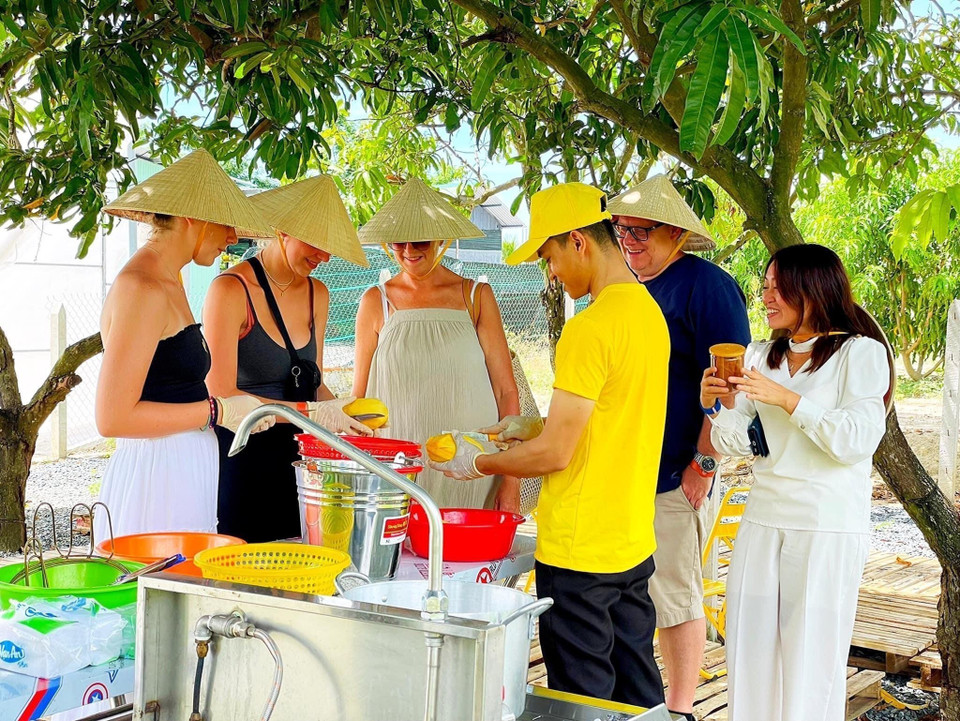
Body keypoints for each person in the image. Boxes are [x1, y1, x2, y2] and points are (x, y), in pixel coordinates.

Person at [431, 182, 670, 709]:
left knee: (583, 703)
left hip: (580, 554)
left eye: (550, 256)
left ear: (579, 241)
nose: (551, 272)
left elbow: (557, 456)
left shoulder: (589, 328)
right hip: (631, 543)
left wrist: (478, 462)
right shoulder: (649, 315)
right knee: (638, 696)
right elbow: (603, 426)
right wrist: (530, 428)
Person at [700, 244, 889, 721]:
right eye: (763, 286)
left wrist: (789, 401)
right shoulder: (761, 355)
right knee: (750, 655)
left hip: (825, 525)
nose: (765, 295)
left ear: (813, 288)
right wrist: (716, 404)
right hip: (763, 520)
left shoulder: (859, 353)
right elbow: (735, 442)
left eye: (776, 286)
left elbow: (856, 439)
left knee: (809, 665)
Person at [608, 175, 751, 719]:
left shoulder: (706, 286)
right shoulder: (626, 286)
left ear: (674, 232)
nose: (627, 241)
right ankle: (638, 703)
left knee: (675, 595)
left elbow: (730, 387)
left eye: (640, 231)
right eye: (620, 229)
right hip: (627, 469)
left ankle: (682, 709)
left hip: (678, 470)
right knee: (630, 594)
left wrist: (703, 463)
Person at [94, 149, 276, 540]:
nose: (232, 237)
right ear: (193, 217)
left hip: (184, 473)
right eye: (226, 224)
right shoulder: (142, 287)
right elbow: (112, 419)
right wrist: (216, 410)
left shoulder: (170, 280)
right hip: (157, 481)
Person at [204, 175, 374, 542]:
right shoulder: (230, 289)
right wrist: (310, 413)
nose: (325, 257)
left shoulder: (318, 292)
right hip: (242, 455)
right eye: (316, 244)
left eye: (330, 248)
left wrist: (348, 418)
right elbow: (220, 391)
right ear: (282, 231)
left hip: (302, 460)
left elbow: (315, 383)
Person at [352, 177, 521, 511]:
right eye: (399, 244)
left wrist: (511, 477)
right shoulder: (376, 301)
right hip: (399, 470)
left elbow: (506, 391)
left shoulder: (476, 297)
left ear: (441, 240)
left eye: (421, 242)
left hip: (474, 470)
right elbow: (360, 401)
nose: (409, 252)